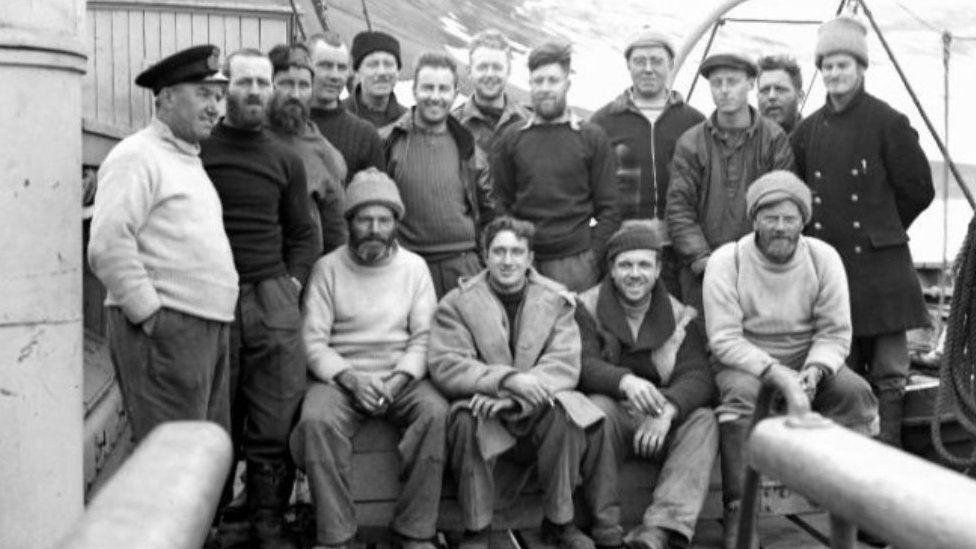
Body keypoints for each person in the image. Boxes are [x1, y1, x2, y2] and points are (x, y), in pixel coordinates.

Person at [703, 170, 878, 549]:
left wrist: (815, 370)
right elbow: (724, 339)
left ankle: (850, 507)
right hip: (747, 363)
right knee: (739, 402)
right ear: (754, 220)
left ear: (803, 220)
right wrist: (774, 372)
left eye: (790, 218)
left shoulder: (823, 258)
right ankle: (739, 512)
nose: (781, 227)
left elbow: (834, 332)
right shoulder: (726, 261)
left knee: (854, 393)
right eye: (770, 218)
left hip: (809, 358)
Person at [428, 216, 620, 549]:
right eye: (499, 251)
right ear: (484, 255)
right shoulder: (457, 303)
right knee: (462, 419)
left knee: (568, 413)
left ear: (530, 258)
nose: (508, 261)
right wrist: (507, 381)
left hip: (534, 407)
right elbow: (448, 364)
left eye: (517, 252)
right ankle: (477, 529)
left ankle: (560, 522)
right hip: (483, 408)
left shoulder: (556, 299)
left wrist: (516, 395)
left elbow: (564, 363)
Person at [791, 15, 934, 451]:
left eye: (844, 65)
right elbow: (797, 201)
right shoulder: (807, 131)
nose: (835, 74)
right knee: (842, 375)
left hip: (884, 275)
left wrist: (883, 228)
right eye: (828, 66)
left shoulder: (888, 121)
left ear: (861, 68)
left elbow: (919, 189)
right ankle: (847, 474)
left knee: (891, 375)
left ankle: (886, 471)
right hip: (833, 275)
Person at [88, 44, 237, 443]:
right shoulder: (137, 155)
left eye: (219, 96)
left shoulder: (186, 159)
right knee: (172, 463)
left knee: (199, 462)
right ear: (167, 97)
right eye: (204, 94)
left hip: (205, 329)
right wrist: (153, 317)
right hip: (168, 328)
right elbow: (106, 244)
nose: (215, 108)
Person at [200, 48, 319, 549]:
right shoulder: (199, 149)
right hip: (210, 298)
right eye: (244, 82)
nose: (254, 92)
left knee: (277, 410)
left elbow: (303, 234)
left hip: (271, 295)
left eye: (262, 83)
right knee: (214, 414)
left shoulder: (285, 157)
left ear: (272, 90)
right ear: (227, 86)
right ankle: (215, 518)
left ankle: (267, 517)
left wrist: (290, 286)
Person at [290, 169, 446, 549]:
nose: (374, 228)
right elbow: (312, 341)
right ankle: (337, 534)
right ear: (349, 222)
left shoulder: (414, 268)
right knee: (315, 421)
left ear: (396, 223)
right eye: (365, 219)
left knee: (436, 413)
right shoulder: (328, 268)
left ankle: (415, 531)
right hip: (342, 378)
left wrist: (398, 380)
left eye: (384, 219)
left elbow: (425, 336)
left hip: (401, 377)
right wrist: (351, 379)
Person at [576, 221, 717, 549]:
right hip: (615, 414)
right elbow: (582, 365)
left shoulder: (680, 314)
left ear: (657, 270)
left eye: (643, 264)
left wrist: (667, 408)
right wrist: (625, 382)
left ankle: (660, 530)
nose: (634, 273)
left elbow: (697, 375)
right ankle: (606, 529)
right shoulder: (586, 306)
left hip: (659, 416)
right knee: (597, 409)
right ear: (611, 269)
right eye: (625, 264)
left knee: (704, 420)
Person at [666, 52, 794, 317]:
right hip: (701, 270)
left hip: (761, 267)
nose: (723, 90)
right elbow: (679, 208)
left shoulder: (773, 138)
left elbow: (782, 202)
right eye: (716, 83)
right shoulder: (690, 142)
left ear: (750, 84)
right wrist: (703, 259)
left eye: (732, 81)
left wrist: (761, 258)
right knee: (703, 346)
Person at [492, 41, 620, 292]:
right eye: (538, 81)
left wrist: (593, 256)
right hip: (522, 260)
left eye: (553, 80)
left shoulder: (591, 137)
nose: (545, 88)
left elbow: (610, 208)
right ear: (530, 84)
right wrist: (513, 248)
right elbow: (500, 202)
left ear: (567, 84)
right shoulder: (513, 137)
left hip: (575, 265)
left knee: (572, 330)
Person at [590, 27, 705, 295]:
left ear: (671, 65)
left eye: (657, 61)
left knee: (677, 327)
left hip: (677, 251)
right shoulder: (602, 122)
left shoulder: (695, 122)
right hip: (620, 247)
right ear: (628, 65)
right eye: (640, 61)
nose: (648, 69)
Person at [383, 52, 494, 298]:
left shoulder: (470, 148)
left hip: (465, 268)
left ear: (455, 94)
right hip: (407, 268)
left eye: (443, 89)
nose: (435, 97)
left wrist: (483, 263)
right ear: (413, 90)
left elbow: (489, 212)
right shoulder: (390, 141)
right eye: (427, 88)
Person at [268, 43, 348, 255]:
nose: (295, 94)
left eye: (303, 85)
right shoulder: (250, 136)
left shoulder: (320, 147)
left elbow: (336, 225)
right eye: (285, 83)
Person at [306, 32, 386, 183]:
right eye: (325, 66)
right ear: (305, 66)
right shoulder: (283, 125)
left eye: (341, 68)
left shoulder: (365, 136)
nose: (335, 75)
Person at [451, 29, 530, 154]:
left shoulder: (531, 125)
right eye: (482, 67)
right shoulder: (450, 127)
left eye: (497, 67)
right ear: (469, 71)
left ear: (508, 71)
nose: (490, 74)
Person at [344, 30, 408, 130]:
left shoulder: (409, 122)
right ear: (357, 72)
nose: (381, 72)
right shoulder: (336, 115)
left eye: (388, 64)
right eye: (373, 64)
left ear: (398, 71)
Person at [757, 54, 805, 135]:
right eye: (765, 90)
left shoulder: (815, 141)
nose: (771, 96)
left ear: (800, 97)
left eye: (780, 89)